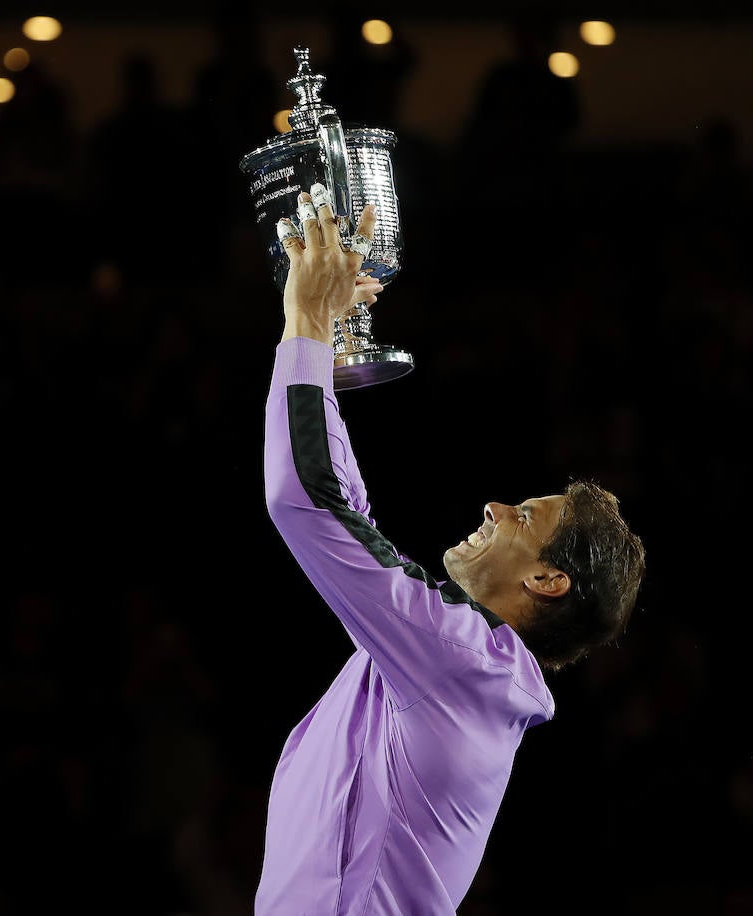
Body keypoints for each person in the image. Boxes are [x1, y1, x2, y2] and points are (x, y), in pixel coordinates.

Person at [256, 185, 645, 912]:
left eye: (523, 517)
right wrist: (324, 346)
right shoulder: (453, 662)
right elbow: (346, 509)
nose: (494, 507)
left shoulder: (458, 659)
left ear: (548, 580)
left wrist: (306, 318)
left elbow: (306, 501)